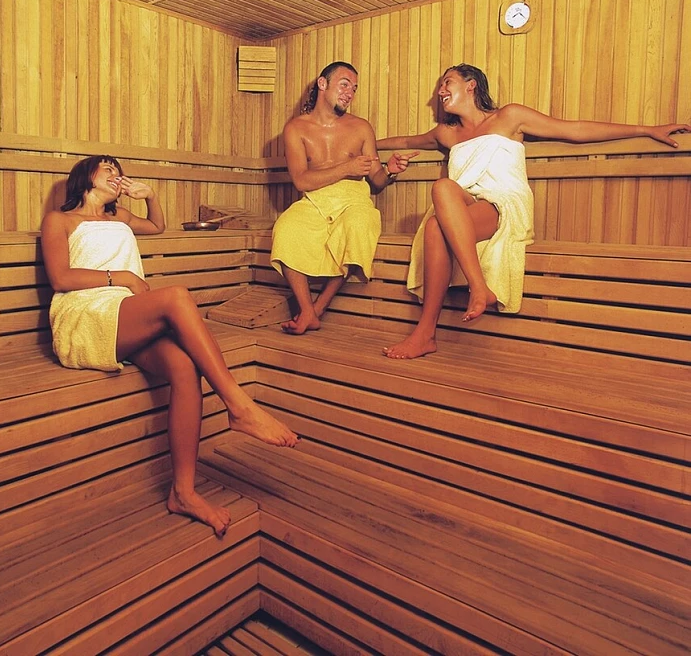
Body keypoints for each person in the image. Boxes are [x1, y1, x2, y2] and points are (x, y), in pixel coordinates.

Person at [41, 155, 299, 536]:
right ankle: (239, 406)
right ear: (85, 177)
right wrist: (123, 277)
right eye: (107, 168)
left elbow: (157, 226)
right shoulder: (60, 220)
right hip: (84, 315)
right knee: (177, 296)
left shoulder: (120, 216)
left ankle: (183, 492)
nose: (116, 174)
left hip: (123, 314)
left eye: (118, 170)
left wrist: (150, 195)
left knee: (183, 366)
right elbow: (60, 278)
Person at [376, 63, 690, 360]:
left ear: (471, 85)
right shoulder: (446, 133)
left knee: (436, 224)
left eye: (447, 82)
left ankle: (441, 319)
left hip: (504, 202)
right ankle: (456, 308)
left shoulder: (509, 117)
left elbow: (574, 129)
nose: (440, 91)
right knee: (443, 190)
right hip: (466, 204)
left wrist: (646, 129)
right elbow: (403, 140)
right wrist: (363, 145)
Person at [270, 61, 416, 334]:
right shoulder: (296, 129)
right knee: (286, 228)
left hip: (354, 200)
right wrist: (347, 168)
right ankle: (307, 309)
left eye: (354, 89)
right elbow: (301, 180)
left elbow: (377, 181)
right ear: (322, 84)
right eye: (345, 84)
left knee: (358, 227)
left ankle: (317, 310)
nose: (350, 93)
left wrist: (390, 171)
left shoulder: (361, 128)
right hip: (315, 200)